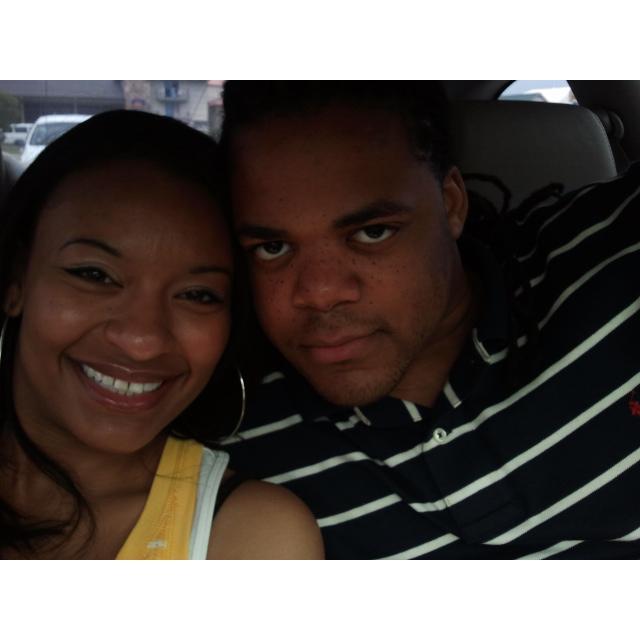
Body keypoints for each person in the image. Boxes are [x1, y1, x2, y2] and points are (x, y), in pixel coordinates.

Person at [220, 80, 640, 559]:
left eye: (373, 232)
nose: (319, 293)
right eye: (272, 248)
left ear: (451, 203)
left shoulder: (613, 263)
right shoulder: (228, 439)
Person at [0, 110, 323, 560]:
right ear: (17, 280)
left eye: (197, 295)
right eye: (95, 274)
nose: (142, 341)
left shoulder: (251, 537)